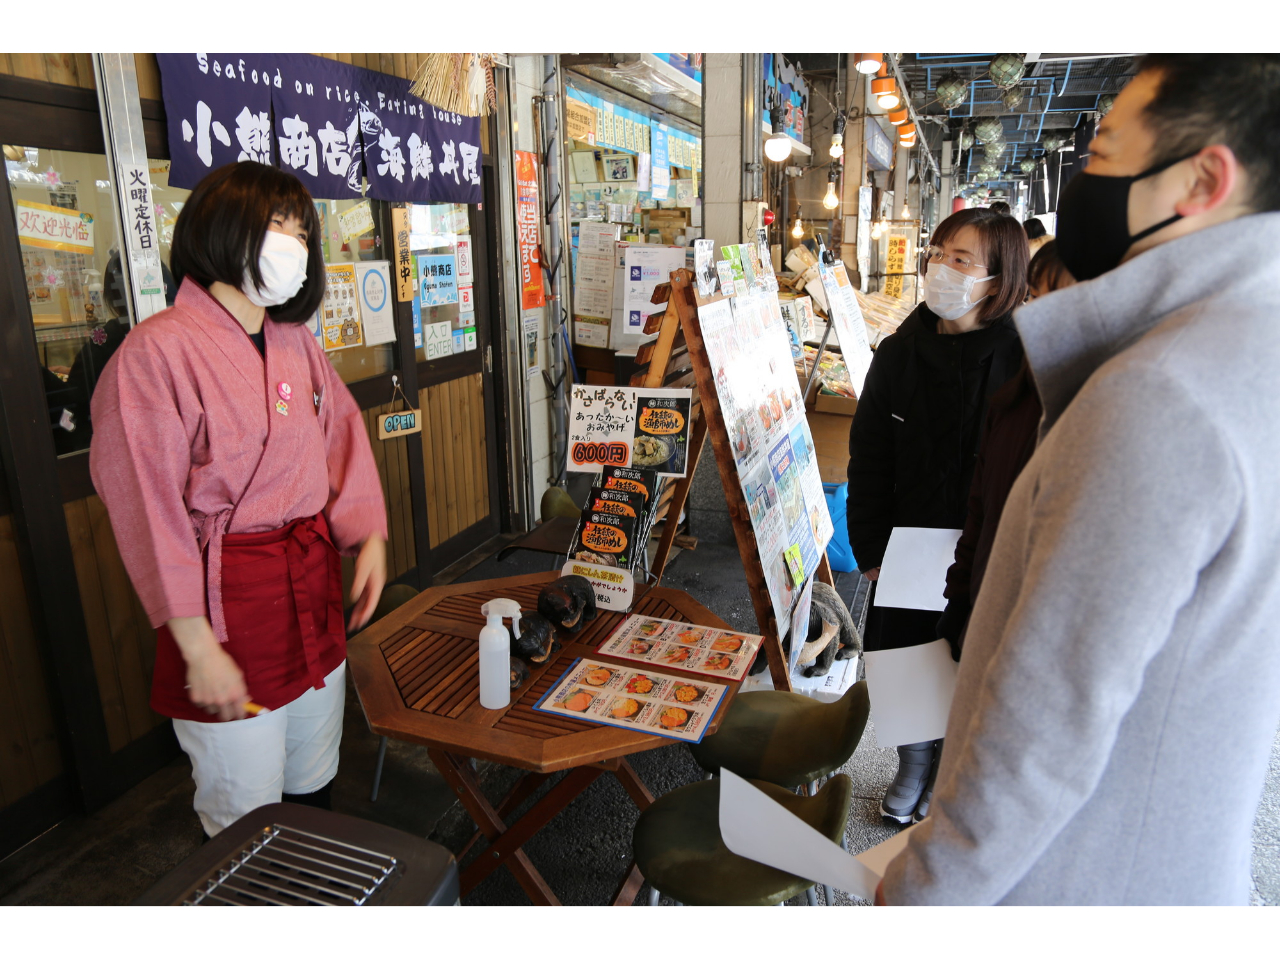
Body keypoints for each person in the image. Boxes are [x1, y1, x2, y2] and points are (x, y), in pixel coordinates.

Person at [880, 53, 1280, 904]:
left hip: (1082, 881)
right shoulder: (1250, 347)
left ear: (1202, 179)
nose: (1081, 185)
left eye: (1100, 156)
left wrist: (923, 894)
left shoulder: (1162, 392)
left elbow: (1047, 716)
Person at [90, 161, 388, 838]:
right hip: (229, 607)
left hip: (312, 588)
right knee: (246, 811)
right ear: (222, 230)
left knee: (314, 776)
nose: (293, 242)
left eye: (302, 230)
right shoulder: (153, 354)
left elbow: (338, 434)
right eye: (276, 224)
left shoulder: (295, 343)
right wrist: (194, 643)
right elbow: (148, 505)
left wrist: (366, 535)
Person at [846, 207, 1028, 824]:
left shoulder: (1024, 359)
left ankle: (953, 770)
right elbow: (868, 453)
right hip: (908, 538)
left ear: (999, 280)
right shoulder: (899, 354)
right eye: (937, 254)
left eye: (960, 260)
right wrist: (869, 546)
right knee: (905, 656)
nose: (939, 270)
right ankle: (914, 762)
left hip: (985, 543)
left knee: (972, 657)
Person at [917, 243, 1076, 823]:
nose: (1040, 313)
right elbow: (981, 504)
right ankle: (923, 771)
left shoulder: (1095, 418)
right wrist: (959, 593)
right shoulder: (1018, 398)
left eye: (1058, 297)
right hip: (975, 592)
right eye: (1037, 297)